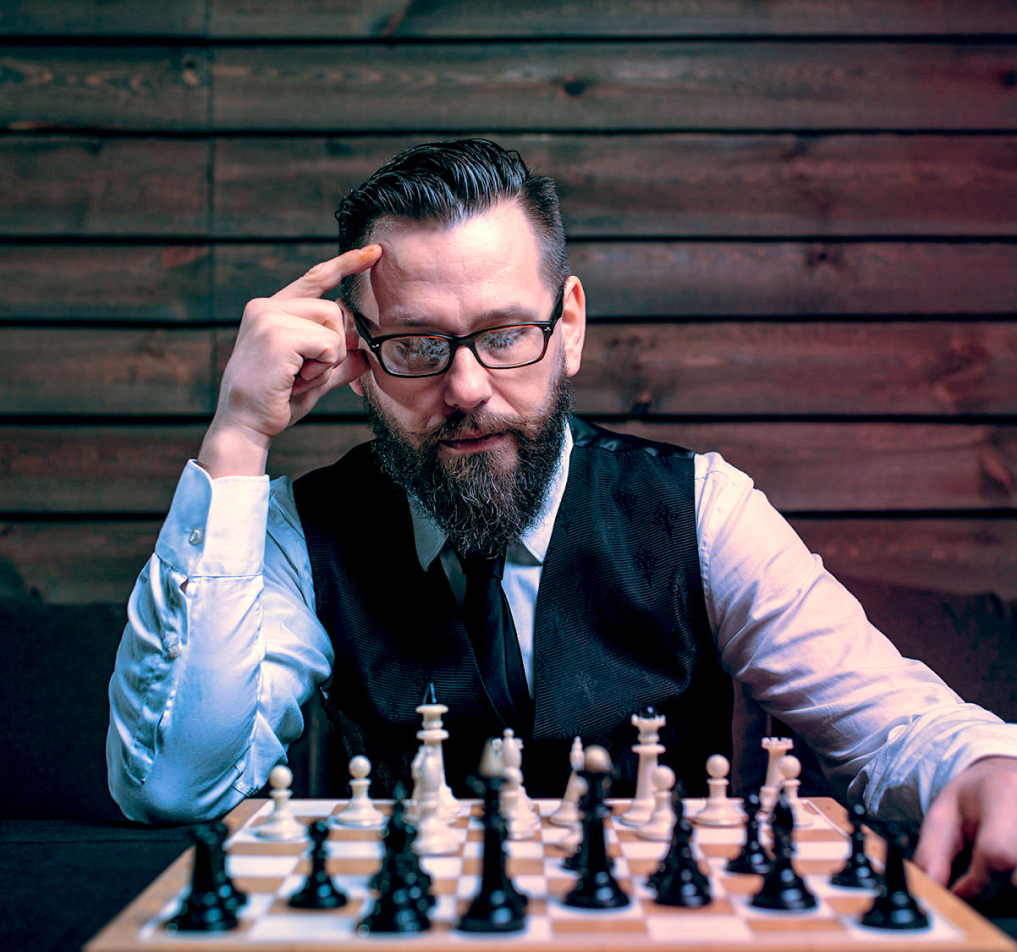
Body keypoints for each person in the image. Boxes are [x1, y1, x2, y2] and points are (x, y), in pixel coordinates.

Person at [107, 138, 1017, 900]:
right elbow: (177, 783)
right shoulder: (299, 532)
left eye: (505, 334)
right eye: (417, 344)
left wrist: (986, 766)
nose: (467, 388)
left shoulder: (699, 507)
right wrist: (237, 434)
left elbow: (891, 722)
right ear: (360, 354)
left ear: (568, 326)